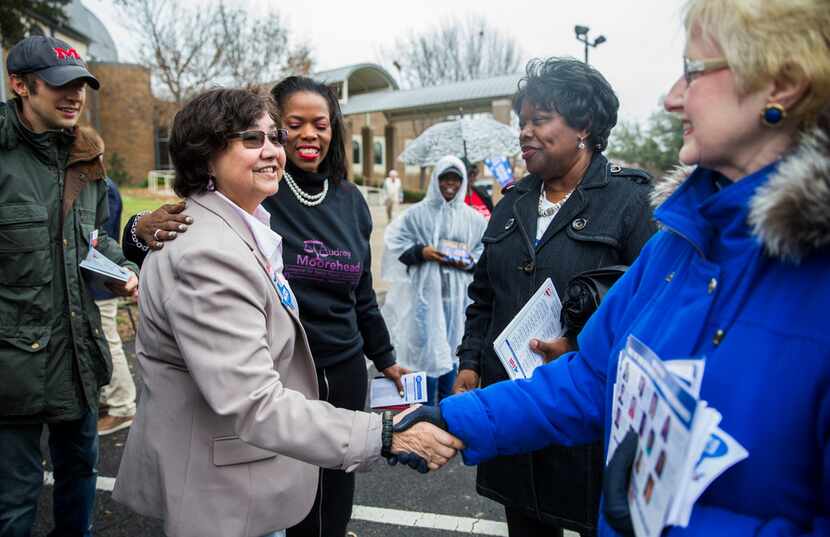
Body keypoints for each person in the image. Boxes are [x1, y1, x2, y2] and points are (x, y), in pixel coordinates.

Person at [433, 0, 830, 534]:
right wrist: (453, 417)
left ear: (782, 85)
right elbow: (593, 375)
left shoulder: (639, 208)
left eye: (693, 72)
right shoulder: (682, 245)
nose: (671, 99)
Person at [112, 87, 461, 537]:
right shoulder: (210, 251)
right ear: (206, 154)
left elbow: (362, 295)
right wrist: (388, 435)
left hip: (314, 394)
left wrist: (386, 358)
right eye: (254, 139)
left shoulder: (258, 220)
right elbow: (255, 403)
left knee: (328, 511)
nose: (274, 149)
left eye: (273, 137)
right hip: (226, 467)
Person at [450, 57, 657, 537]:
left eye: (540, 120)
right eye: (522, 121)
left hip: (588, 422)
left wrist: (584, 348)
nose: (525, 132)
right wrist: (469, 364)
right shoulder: (511, 203)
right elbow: (484, 298)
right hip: (514, 408)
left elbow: (652, 312)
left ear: (583, 125)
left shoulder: (630, 201)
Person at [0, 36, 138, 536]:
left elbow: (94, 245)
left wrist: (125, 272)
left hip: (78, 360)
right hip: (10, 367)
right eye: (60, 85)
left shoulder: (87, 162)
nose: (74, 95)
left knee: (80, 478)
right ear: (20, 85)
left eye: (80, 84)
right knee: (14, 500)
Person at [381, 156, 487, 406]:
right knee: (424, 356)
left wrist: (469, 260)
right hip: (425, 300)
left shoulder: (473, 218)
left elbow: (486, 250)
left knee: (454, 353)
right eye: (445, 177)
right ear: (435, 180)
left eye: (456, 178)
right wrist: (422, 252)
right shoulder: (417, 214)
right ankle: (422, 415)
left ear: (462, 182)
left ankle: (448, 416)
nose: (450, 183)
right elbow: (393, 243)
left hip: (458, 300)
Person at [94, 177, 138, 436]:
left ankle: (122, 405)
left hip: (102, 282)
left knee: (108, 341)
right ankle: (110, 395)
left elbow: (102, 237)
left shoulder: (103, 186)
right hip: (97, 282)